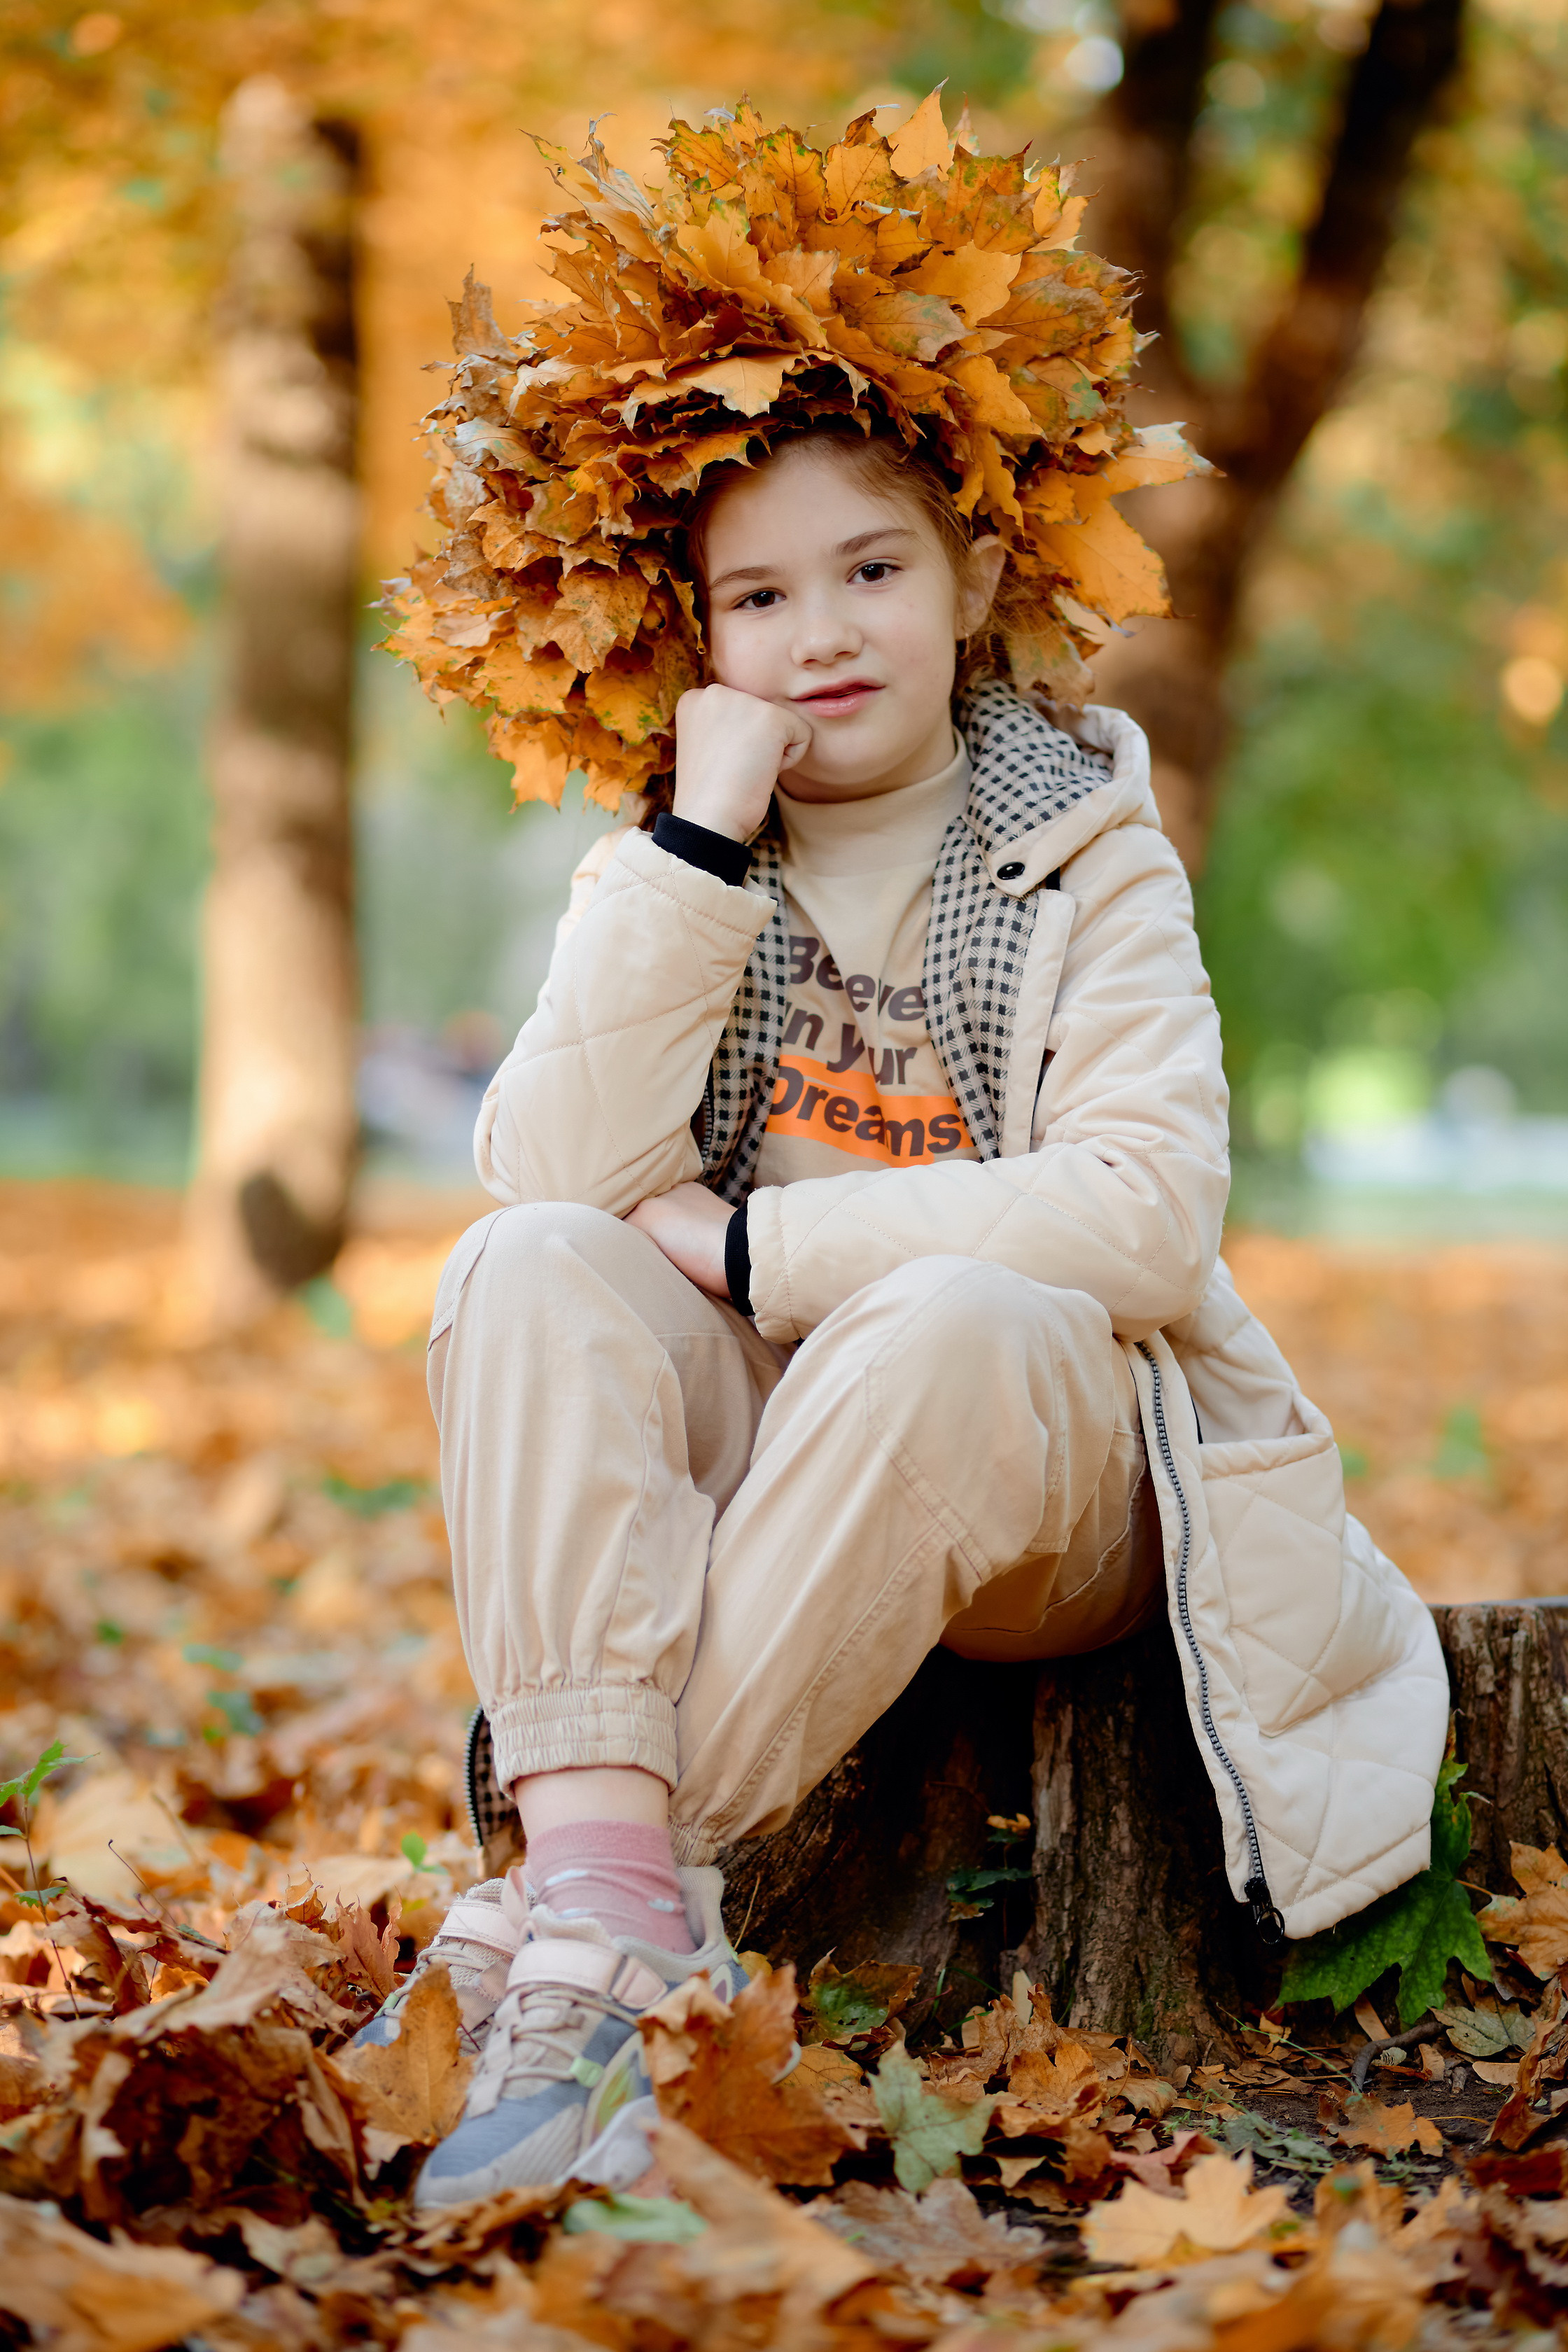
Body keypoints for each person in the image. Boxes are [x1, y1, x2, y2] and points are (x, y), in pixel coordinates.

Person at [366, 103, 1449, 2212]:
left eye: (870, 569)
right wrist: (689, 847)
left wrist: (768, 1243)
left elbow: (1141, 1212)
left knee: (947, 1309)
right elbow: (553, 1171)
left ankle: (592, 1892)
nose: (822, 630)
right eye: (756, 596)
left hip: (1051, 1464)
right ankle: (619, 1914)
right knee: (521, 1272)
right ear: (700, 638)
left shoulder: (1082, 843)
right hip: (788, 1449)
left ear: (969, 577)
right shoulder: (683, 865)